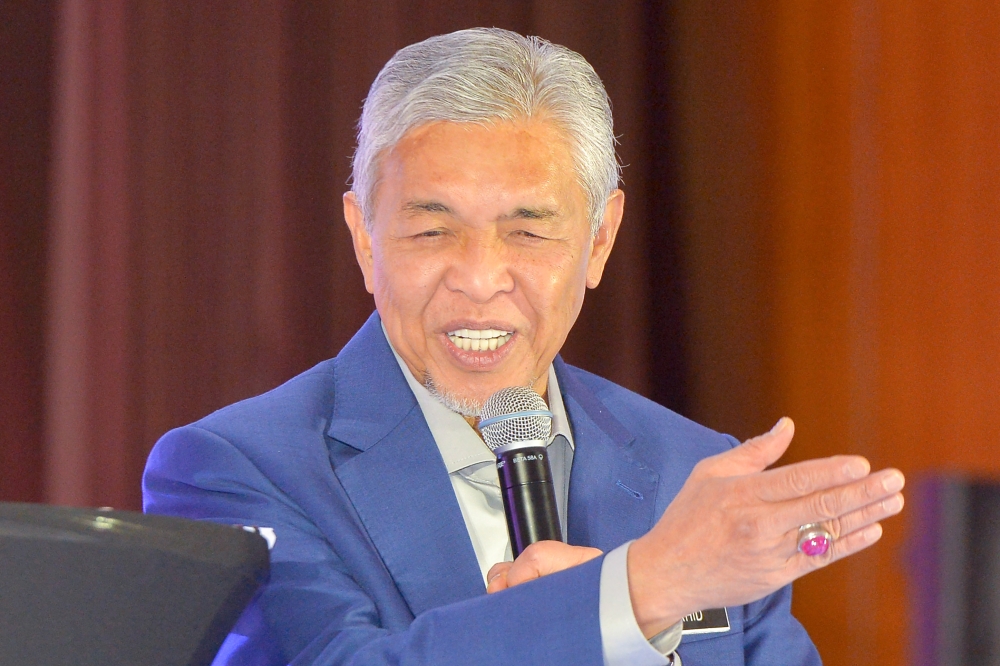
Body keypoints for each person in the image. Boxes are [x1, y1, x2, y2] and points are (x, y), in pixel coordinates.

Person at [143, 28, 905, 665]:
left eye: (529, 230)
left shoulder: (693, 473)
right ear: (364, 238)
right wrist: (638, 591)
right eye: (432, 230)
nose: (478, 279)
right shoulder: (232, 468)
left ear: (600, 240)